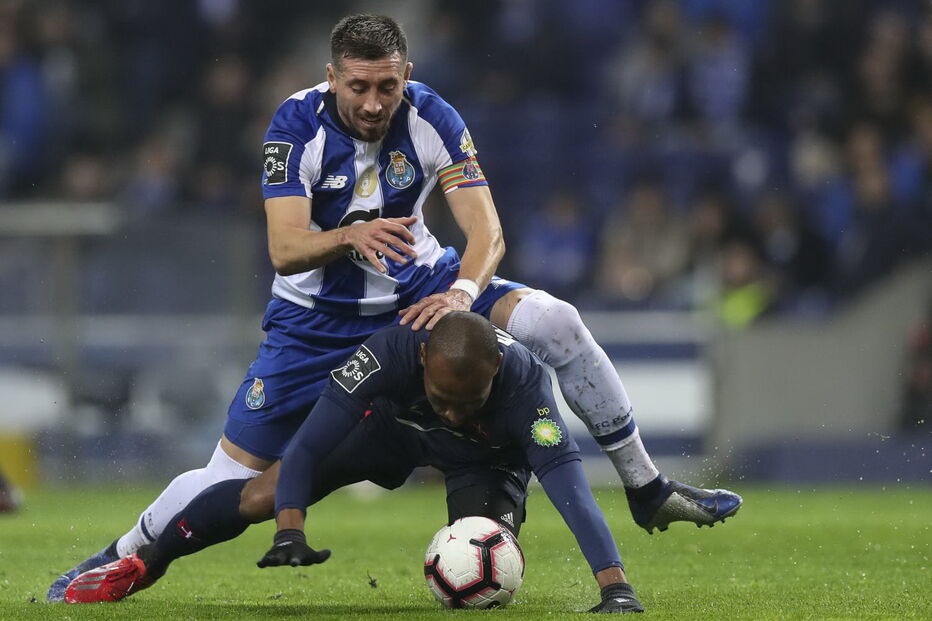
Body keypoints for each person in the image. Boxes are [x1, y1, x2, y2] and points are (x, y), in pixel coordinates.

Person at [49, 13, 741, 601]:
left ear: (404, 74)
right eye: (359, 86)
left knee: (556, 321)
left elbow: (488, 232)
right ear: (333, 76)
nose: (375, 102)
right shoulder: (296, 125)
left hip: (420, 291)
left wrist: (462, 295)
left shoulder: (432, 114)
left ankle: (644, 485)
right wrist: (349, 233)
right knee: (231, 479)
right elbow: (286, 249)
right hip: (312, 326)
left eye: (388, 85)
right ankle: (118, 556)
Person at [65, 313, 647, 613]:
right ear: (422, 360)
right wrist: (290, 527)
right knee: (259, 494)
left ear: (496, 370)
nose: (448, 411)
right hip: (388, 434)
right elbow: (310, 447)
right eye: (440, 397)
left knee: (483, 547)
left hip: (484, 462)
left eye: (464, 403)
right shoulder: (388, 353)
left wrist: (615, 586)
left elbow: (573, 492)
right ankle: (149, 559)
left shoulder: (529, 394)